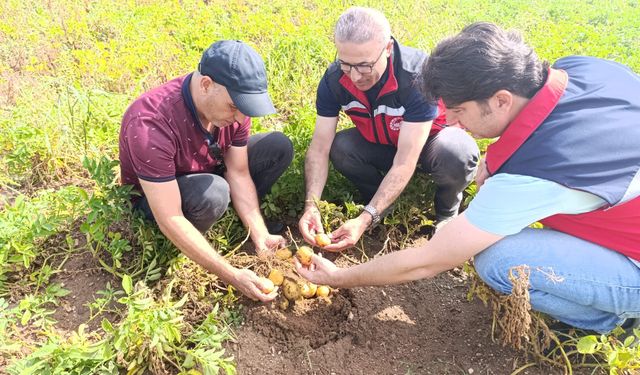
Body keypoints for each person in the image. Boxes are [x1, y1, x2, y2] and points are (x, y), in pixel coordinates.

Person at [297, 22, 640, 334]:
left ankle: (609, 319)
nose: (455, 123)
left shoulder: (534, 173)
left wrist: (340, 277)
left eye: (459, 111)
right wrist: (497, 156)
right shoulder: (581, 68)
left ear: (501, 100)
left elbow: (428, 261)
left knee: (497, 260)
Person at [119, 40, 293, 302]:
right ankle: (198, 234)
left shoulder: (235, 111)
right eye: (234, 107)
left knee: (277, 146)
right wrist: (232, 275)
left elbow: (239, 172)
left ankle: (239, 218)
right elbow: (170, 216)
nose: (239, 118)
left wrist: (260, 234)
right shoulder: (149, 123)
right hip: (158, 198)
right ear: (206, 85)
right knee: (214, 194)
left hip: (208, 168)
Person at [299, 7, 479, 251]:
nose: (354, 76)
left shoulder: (416, 77)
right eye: (346, 64)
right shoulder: (334, 80)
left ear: (387, 49)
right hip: (382, 143)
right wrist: (312, 205)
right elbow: (319, 147)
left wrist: (363, 221)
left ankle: (447, 211)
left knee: (458, 151)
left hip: (428, 145)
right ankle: (378, 202)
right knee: (340, 147)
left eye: (364, 65)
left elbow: (406, 159)